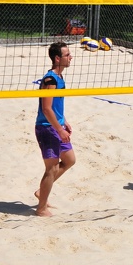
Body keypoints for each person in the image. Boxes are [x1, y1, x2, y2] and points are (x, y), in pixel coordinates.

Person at [34, 41, 75, 217]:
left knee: (70, 160)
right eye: (67, 55)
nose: (71, 57)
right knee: (50, 169)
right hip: (47, 128)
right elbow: (46, 108)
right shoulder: (50, 80)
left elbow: (55, 106)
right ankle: (41, 208)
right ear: (57, 58)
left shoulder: (59, 78)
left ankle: (40, 192)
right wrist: (59, 129)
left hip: (56, 125)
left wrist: (64, 120)